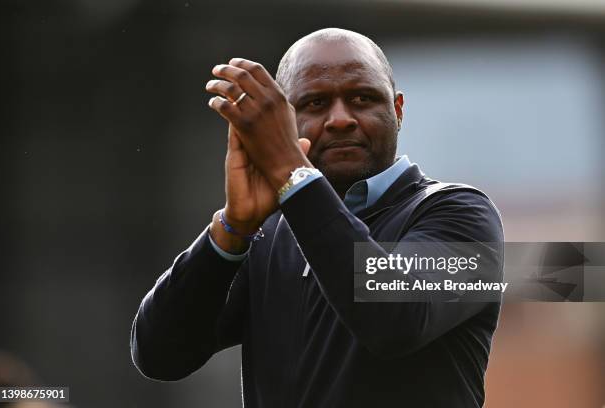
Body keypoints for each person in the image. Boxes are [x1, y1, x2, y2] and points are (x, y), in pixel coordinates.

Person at [130, 28, 504, 407]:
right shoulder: (269, 235)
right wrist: (231, 230)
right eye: (314, 103)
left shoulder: (464, 215)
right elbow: (160, 355)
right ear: (285, 124)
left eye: (362, 98)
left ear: (398, 110)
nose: (340, 119)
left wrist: (292, 174)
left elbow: (395, 320)